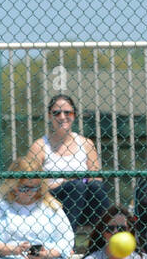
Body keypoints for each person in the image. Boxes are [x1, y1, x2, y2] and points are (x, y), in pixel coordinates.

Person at [25, 94, 111, 230]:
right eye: (56, 113)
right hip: (52, 201)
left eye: (67, 112)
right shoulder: (40, 146)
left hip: (85, 202)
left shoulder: (86, 143)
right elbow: (30, 184)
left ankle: (110, 234)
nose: (62, 117)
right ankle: (67, 241)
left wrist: (83, 180)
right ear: (49, 116)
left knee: (95, 186)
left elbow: (96, 178)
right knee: (75, 186)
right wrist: (64, 182)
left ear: (74, 115)